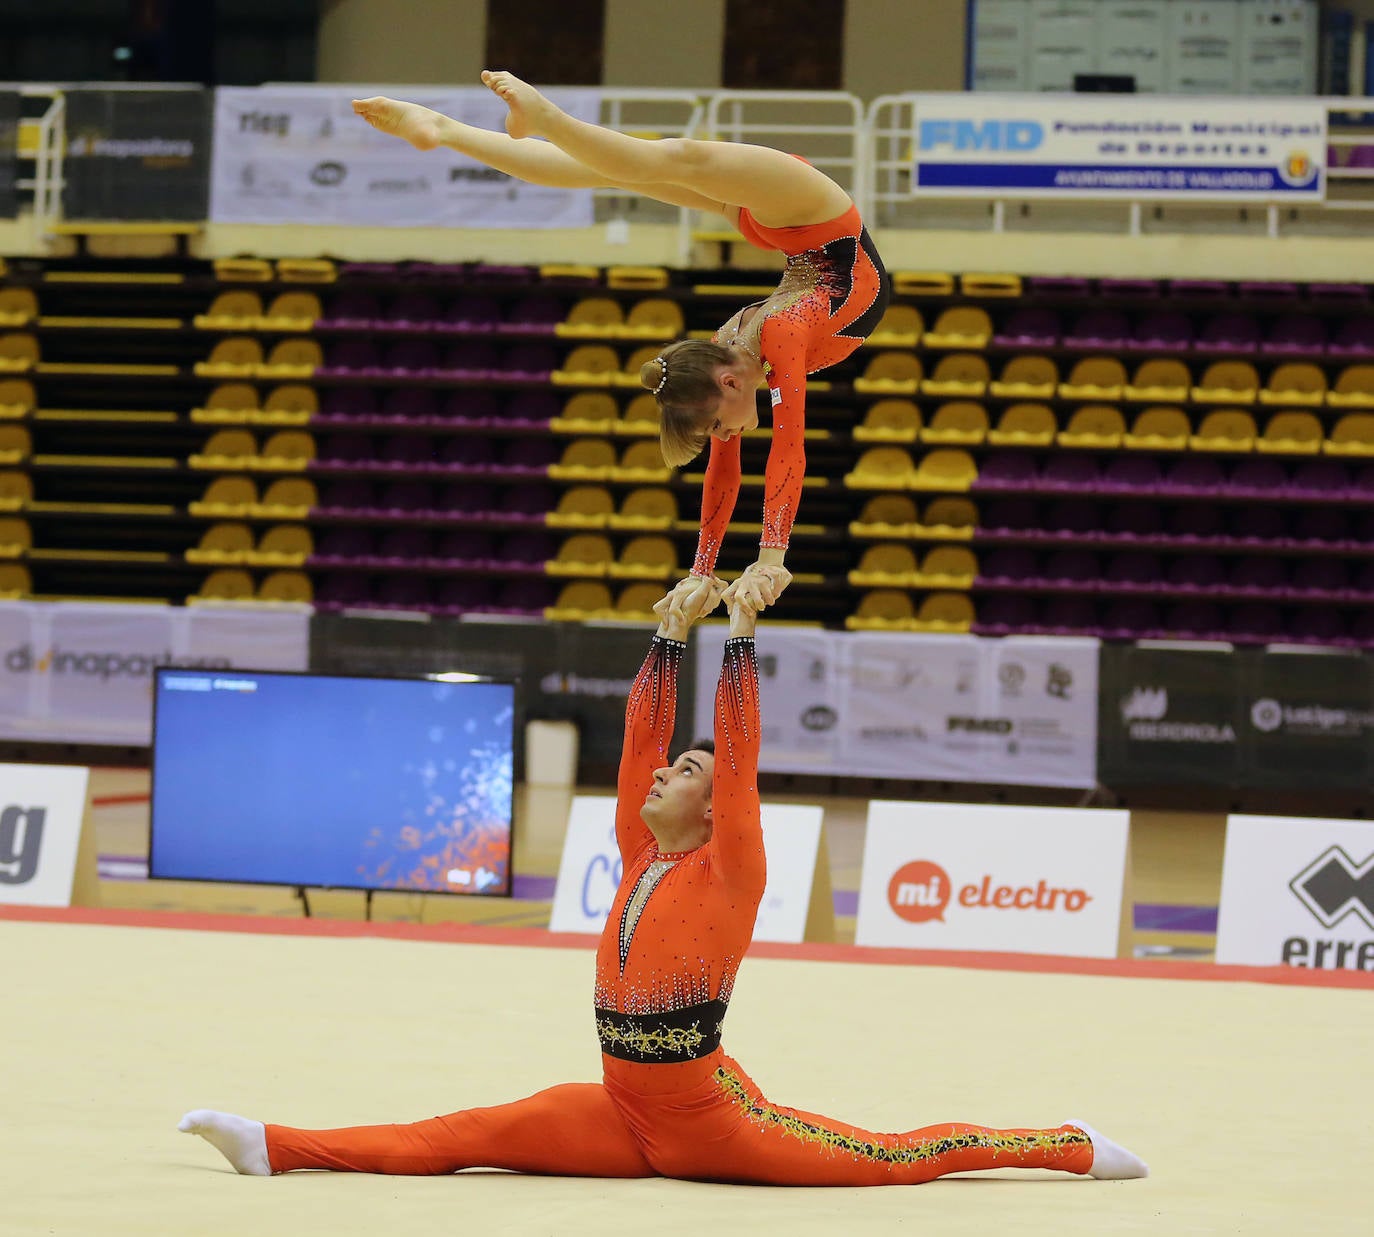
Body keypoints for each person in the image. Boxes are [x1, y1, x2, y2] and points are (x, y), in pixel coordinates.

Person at [180, 577, 1148, 1186]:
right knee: (457, 1134)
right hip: (621, 1109)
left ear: (717, 805)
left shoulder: (732, 869)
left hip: (709, 1126)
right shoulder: (644, 854)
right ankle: (276, 1143)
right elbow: (641, 737)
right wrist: (671, 634)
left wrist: (741, 631)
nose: (658, 775)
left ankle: (1066, 1143)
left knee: (898, 1156)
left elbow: (738, 758)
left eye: (684, 772)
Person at [351, 71, 893, 615]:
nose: (722, 435)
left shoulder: (769, 338)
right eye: (713, 429)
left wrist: (771, 558)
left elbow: (788, 448)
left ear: (727, 383)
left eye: (712, 426)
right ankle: (444, 129)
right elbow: (724, 472)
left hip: (816, 213)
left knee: (669, 159)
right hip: (797, 228)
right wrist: (701, 570)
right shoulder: (738, 347)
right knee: (616, 170)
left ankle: (537, 119)